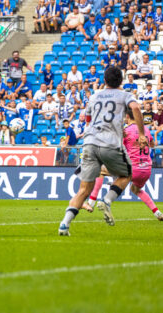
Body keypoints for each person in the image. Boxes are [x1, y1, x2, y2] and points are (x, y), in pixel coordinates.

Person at [58, 66, 147, 236]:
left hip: (90, 143)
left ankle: (65, 224)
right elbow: (135, 108)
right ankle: (107, 200)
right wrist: (141, 134)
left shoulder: (95, 96)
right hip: (110, 143)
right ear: (121, 81)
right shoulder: (125, 95)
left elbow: (88, 118)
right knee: (126, 175)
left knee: (84, 190)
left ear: (104, 81)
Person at [83, 109, 162, 221]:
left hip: (131, 168)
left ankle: (91, 202)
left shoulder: (126, 131)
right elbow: (153, 145)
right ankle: (158, 213)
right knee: (135, 189)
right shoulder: (145, 130)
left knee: (101, 170)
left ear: (128, 117)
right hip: (146, 169)